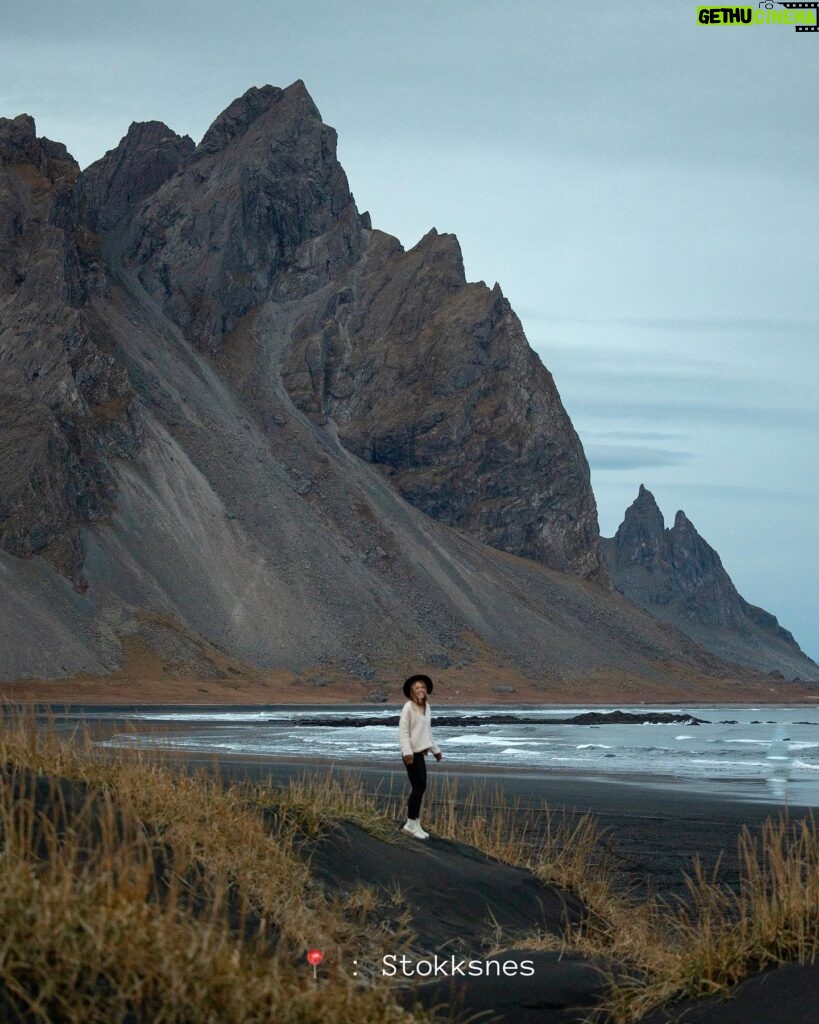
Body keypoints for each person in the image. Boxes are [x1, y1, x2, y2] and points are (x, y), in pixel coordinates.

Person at [399, 673, 443, 840]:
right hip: (410, 755)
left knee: (422, 787)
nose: (420, 690)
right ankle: (410, 824)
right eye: (417, 688)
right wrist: (407, 752)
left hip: (420, 753)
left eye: (422, 687)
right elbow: (403, 732)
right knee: (418, 788)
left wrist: (436, 750)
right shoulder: (408, 707)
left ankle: (416, 823)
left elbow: (427, 733)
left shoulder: (427, 707)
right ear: (412, 690)